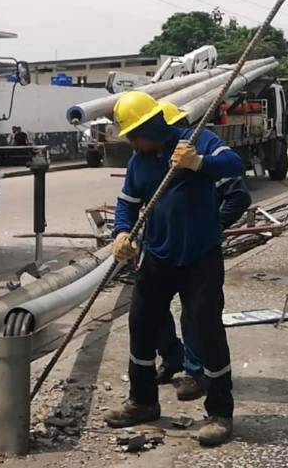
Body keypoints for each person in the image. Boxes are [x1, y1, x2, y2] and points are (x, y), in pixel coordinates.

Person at [104, 91, 244, 447]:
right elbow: (127, 203)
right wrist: (122, 232)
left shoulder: (197, 141)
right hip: (158, 257)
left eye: (136, 133)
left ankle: (219, 412)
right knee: (141, 325)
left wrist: (198, 163)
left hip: (200, 258)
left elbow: (234, 166)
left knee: (206, 329)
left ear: (152, 125)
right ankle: (143, 400)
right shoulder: (140, 162)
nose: (133, 141)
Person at [154, 102, 251, 402]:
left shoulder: (202, 157)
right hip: (162, 248)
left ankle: (197, 373)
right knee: (151, 310)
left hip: (196, 250)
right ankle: (173, 357)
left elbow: (238, 196)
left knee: (195, 314)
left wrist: (210, 227)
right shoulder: (156, 157)